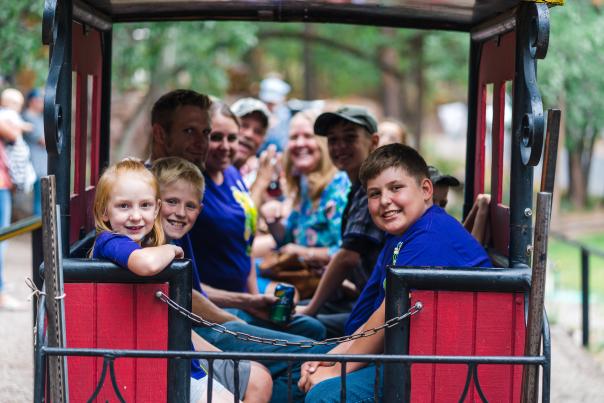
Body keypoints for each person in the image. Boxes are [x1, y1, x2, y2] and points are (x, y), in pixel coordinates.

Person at [298, 144, 493, 402]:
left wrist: (337, 369)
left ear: (425, 190)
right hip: (409, 355)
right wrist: (332, 359)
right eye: (374, 194)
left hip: (444, 371)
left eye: (396, 188)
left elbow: (390, 314)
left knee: (326, 395)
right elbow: (374, 318)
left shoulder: (429, 235)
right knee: (299, 371)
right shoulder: (401, 236)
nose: (385, 201)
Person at [188, 100, 325, 340]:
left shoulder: (230, 172)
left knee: (313, 329)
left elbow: (245, 244)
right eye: (216, 137)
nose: (227, 145)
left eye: (232, 137)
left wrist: (254, 300)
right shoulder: (192, 183)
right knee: (307, 343)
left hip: (244, 297)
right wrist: (248, 303)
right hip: (216, 307)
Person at [152, 156, 272, 403]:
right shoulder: (151, 252)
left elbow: (178, 323)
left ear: (201, 210)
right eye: (172, 202)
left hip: (187, 343)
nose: (180, 213)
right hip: (163, 358)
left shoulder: (175, 241)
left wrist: (223, 353)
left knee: (260, 379)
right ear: (154, 203)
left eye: (190, 206)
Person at [296, 106, 385, 338]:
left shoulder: (373, 190)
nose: (339, 147)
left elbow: (348, 256)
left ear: (373, 142)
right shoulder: (356, 188)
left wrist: (311, 309)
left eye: (350, 138)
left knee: (304, 325)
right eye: (333, 140)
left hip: (383, 312)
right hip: (365, 297)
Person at [259, 109, 350, 297]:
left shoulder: (339, 186)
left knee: (248, 278)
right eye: (294, 137)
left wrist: (304, 251)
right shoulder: (304, 184)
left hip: (330, 289)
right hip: (303, 279)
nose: (300, 143)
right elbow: (287, 241)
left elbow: (346, 252)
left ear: (323, 144)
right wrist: (272, 219)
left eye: (308, 136)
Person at [22, 88, 47, 216]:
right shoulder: (27, 117)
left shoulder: (40, 117)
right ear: (32, 101)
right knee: (39, 200)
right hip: (35, 164)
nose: (43, 103)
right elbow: (43, 141)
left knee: (43, 200)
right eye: (40, 100)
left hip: (42, 164)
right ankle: (39, 231)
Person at [258, 76, 292, 154]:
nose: (270, 106)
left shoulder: (285, 115)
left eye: (273, 103)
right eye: (267, 102)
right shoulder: (258, 114)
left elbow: (284, 143)